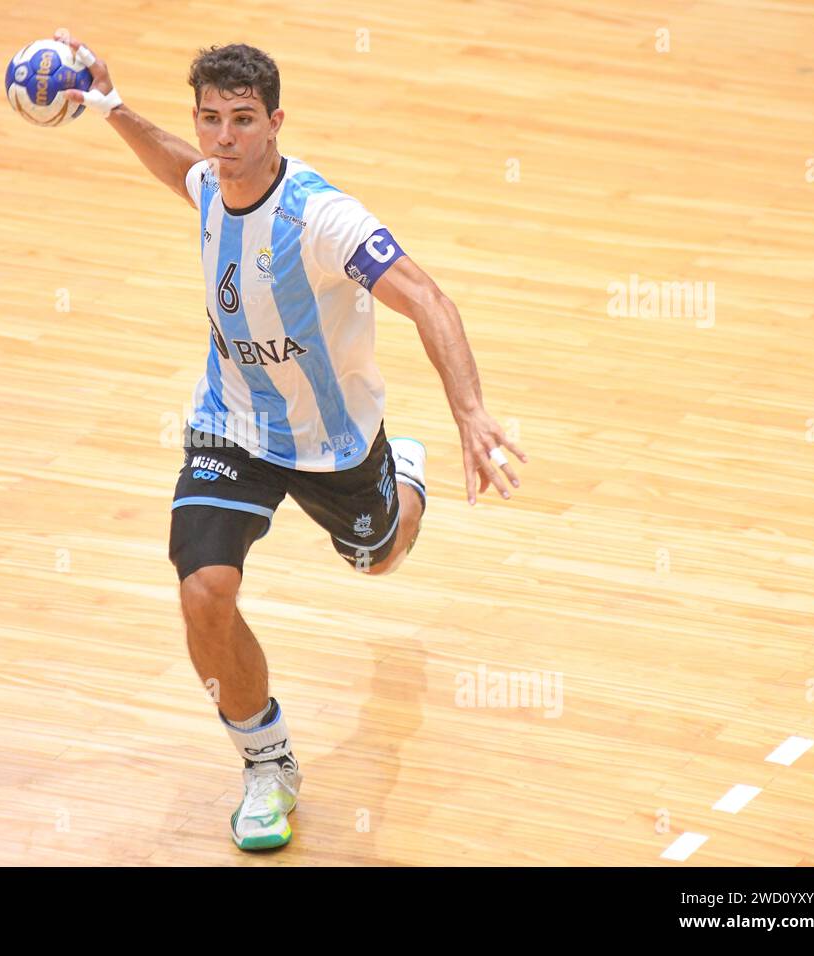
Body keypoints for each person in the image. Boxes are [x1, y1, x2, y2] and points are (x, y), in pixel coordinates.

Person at [54, 27, 528, 850]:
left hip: (332, 439)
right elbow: (179, 169)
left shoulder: (323, 217)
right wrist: (108, 104)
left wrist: (470, 412)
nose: (224, 140)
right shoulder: (209, 180)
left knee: (379, 559)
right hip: (230, 423)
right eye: (211, 119)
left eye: (243, 120)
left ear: (277, 122)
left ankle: (402, 479)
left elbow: (429, 299)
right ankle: (266, 764)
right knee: (203, 589)